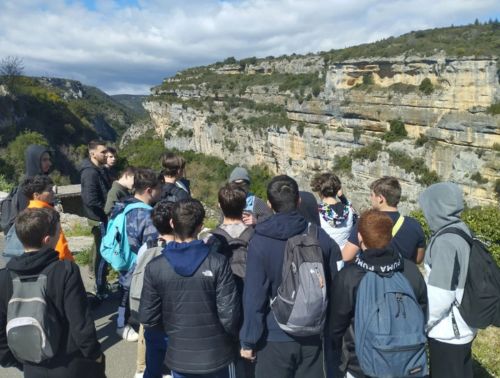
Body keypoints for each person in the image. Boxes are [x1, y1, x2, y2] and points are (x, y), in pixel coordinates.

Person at [239, 175, 341, 378]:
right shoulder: (320, 236)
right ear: (299, 201)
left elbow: (254, 296)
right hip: (313, 336)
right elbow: (335, 288)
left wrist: (248, 340)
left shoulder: (259, 241)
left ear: (269, 204)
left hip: (273, 335)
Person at [140, 199, 240, 378]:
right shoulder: (217, 262)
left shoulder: (155, 267)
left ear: (172, 223)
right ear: (201, 226)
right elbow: (229, 316)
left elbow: (148, 317)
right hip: (216, 354)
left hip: (178, 354)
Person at [0, 208, 105, 378]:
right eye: (58, 230)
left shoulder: (4, 277)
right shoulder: (65, 270)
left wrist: (13, 360)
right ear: (47, 239)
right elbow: (80, 322)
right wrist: (96, 354)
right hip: (72, 364)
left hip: (33, 365)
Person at [329, 210, 428, 378]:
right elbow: (423, 314)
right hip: (407, 362)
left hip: (361, 364)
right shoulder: (410, 270)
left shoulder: (349, 276)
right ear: (390, 237)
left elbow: (336, 327)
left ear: (360, 237)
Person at [419, 182, 476, 378]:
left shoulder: (445, 242)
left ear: (436, 207)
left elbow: (441, 295)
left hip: (448, 332)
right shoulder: (461, 229)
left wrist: (423, 323)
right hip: (463, 324)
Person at [111, 168, 161, 342]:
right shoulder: (146, 214)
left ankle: (123, 321)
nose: (160, 192)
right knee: (129, 292)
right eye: (158, 189)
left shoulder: (125, 204)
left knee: (124, 289)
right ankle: (121, 325)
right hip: (135, 262)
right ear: (149, 190)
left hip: (122, 255)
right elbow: (150, 246)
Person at [131, 200, 175, 378]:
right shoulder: (178, 248)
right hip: (173, 313)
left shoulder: (145, 248)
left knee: (149, 343)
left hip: (150, 308)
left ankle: (141, 369)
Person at [342, 176, 426, 263]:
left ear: (380, 199)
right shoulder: (414, 225)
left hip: (374, 274)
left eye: (372, 195)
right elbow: (418, 259)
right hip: (403, 275)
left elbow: (346, 256)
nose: (371, 199)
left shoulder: (367, 221)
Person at [3, 175, 73, 262]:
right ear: (36, 195)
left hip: (23, 265)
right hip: (49, 266)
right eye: (49, 190)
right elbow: (61, 247)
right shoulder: (48, 216)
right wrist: (69, 265)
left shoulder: (24, 214)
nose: (53, 193)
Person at [79, 140, 111, 299]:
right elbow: (90, 199)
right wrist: (108, 211)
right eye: (103, 152)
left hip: (101, 217)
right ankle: (100, 288)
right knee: (102, 253)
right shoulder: (90, 173)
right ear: (93, 154)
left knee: (101, 251)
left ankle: (102, 283)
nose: (106, 154)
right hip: (99, 219)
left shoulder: (99, 170)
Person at [310, 172, 357, 250]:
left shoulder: (316, 212)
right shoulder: (349, 210)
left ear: (319, 191)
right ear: (338, 190)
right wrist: (342, 197)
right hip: (344, 255)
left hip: (326, 255)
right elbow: (356, 217)